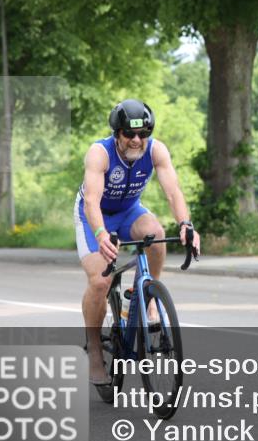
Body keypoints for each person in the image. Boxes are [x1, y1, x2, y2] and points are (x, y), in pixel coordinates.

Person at [75, 99, 200, 393]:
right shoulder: (99, 153)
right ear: (117, 133)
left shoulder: (156, 150)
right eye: (129, 134)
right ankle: (94, 350)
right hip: (94, 217)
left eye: (142, 134)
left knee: (155, 233)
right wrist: (101, 233)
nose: (136, 140)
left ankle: (147, 297)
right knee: (99, 281)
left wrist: (185, 224)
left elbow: (173, 192)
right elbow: (92, 200)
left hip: (130, 210)